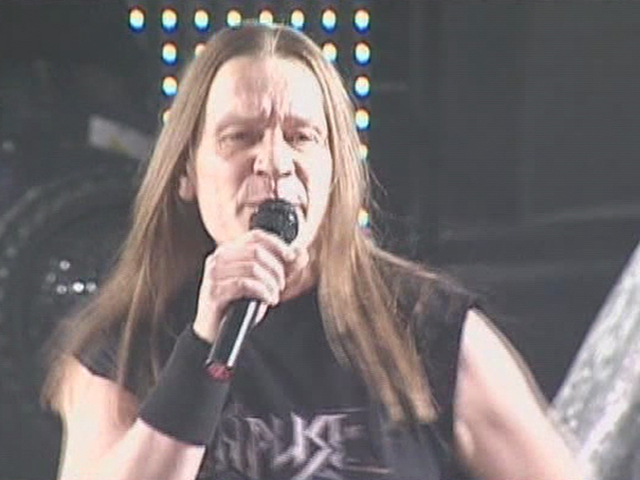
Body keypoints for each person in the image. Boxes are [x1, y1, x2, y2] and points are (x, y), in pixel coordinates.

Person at [42, 22, 585, 480]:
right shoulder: (123, 345)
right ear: (186, 171)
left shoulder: (428, 330)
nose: (274, 162)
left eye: (301, 137)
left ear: (334, 172)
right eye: (241, 136)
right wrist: (204, 348)